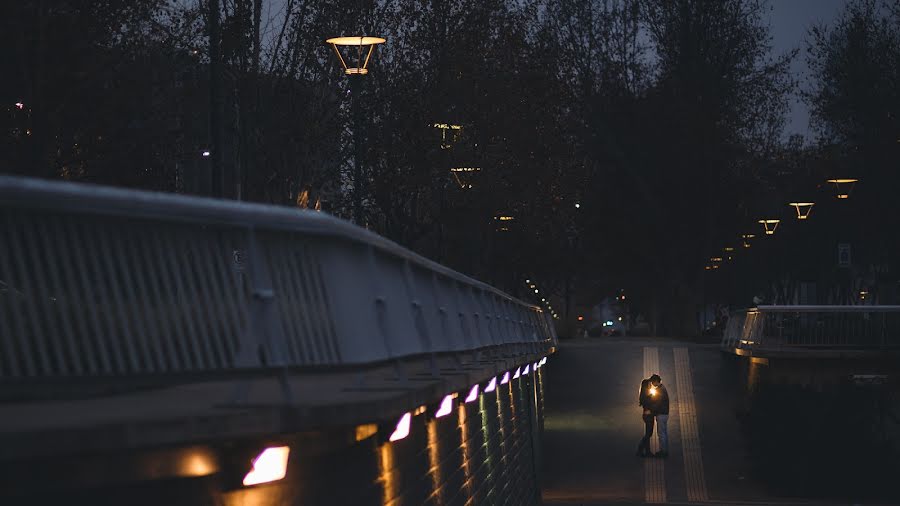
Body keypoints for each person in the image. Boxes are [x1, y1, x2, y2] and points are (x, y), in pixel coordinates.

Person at [646, 374, 670, 458]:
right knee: (664, 433)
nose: (652, 384)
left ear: (656, 381)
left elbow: (657, 404)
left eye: (653, 382)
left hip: (661, 414)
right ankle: (665, 450)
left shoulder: (660, 390)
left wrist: (650, 411)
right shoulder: (662, 388)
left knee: (661, 434)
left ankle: (663, 452)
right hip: (665, 414)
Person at [636, 376, 656, 457]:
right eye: (649, 385)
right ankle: (641, 449)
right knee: (648, 434)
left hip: (647, 416)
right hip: (648, 416)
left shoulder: (644, 396)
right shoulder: (647, 397)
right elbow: (650, 405)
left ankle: (646, 451)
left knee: (649, 433)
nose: (650, 386)